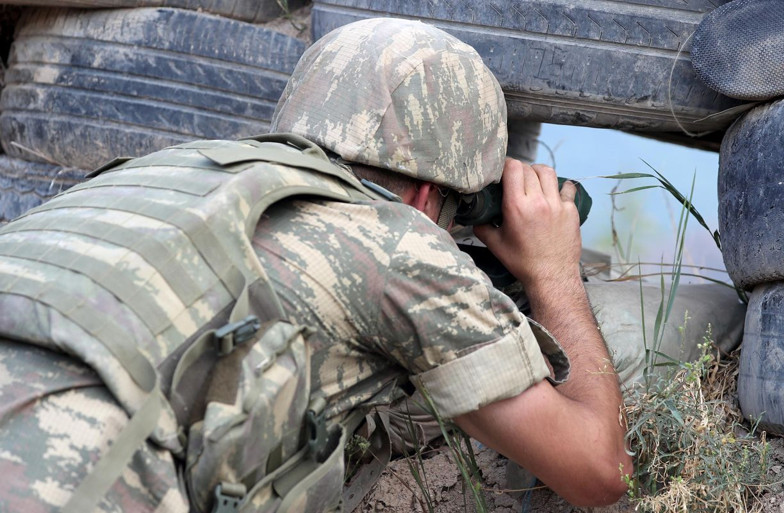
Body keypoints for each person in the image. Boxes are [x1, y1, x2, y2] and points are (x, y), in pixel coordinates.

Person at [0, 17, 632, 512]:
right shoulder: (393, 242)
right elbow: (598, 470)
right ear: (425, 198)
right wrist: (551, 271)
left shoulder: (149, 178)